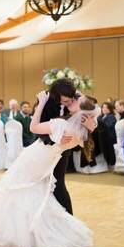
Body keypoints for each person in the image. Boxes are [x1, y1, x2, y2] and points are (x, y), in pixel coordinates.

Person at [0, 91, 98, 247]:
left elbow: (33, 127)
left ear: (79, 111)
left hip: (34, 158)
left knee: (18, 187)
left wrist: (41, 103)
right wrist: (91, 124)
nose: (73, 99)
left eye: (76, 100)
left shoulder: (61, 124)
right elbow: (90, 119)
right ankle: (35, 227)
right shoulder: (82, 131)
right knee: (34, 190)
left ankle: (20, 230)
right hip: (46, 160)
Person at [39, 78, 95, 215]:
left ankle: (68, 218)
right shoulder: (47, 101)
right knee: (41, 182)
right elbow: (37, 127)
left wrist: (90, 126)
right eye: (65, 101)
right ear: (56, 96)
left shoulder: (76, 97)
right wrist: (53, 138)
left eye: (71, 100)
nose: (69, 103)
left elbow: (92, 119)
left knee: (58, 183)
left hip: (64, 148)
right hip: (46, 147)